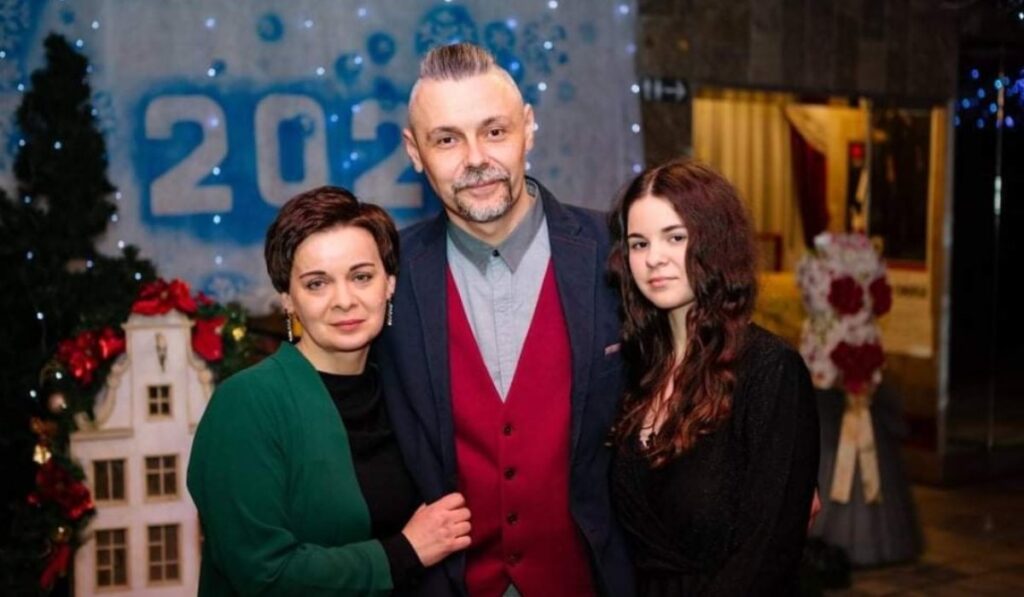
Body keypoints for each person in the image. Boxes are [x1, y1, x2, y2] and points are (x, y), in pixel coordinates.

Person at [374, 43, 634, 596]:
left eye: (494, 132)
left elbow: (700, 347)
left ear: (528, 129)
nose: (475, 159)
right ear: (415, 151)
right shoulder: (385, 273)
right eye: (447, 139)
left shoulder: (616, 250)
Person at [187, 186, 471, 596]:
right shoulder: (247, 404)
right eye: (317, 284)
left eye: (361, 277)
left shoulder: (409, 390)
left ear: (389, 284)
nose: (344, 300)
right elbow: (263, 574)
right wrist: (404, 553)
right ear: (288, 300)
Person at [607, 158, 820, 596]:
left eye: (675, 237)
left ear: (715, 241)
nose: (654, 258)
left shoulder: (770, 369)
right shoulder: (637, 368)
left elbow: (769, 551)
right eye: (639, 243)